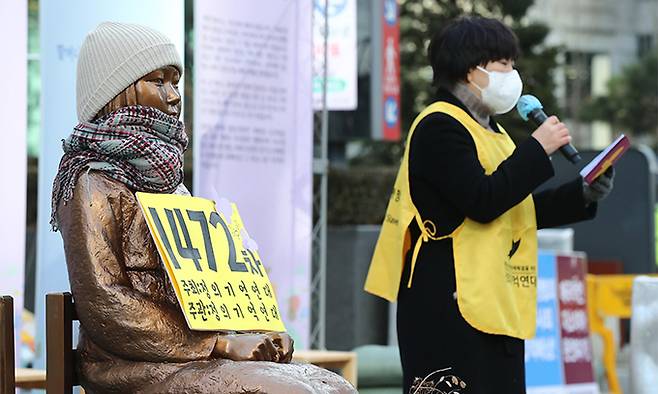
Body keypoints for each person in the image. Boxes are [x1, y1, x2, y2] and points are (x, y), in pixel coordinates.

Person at [52, 22, 355, 394]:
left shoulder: (170, 180)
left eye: (175, 82)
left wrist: (257, 329)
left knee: (333, 386)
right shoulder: (89, 180)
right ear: (117, 92)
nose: (174, 95)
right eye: (158, 81)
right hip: (130, 364)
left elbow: (211, 282)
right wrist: (217, 344)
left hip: (194, 356)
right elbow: (105, 301)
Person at [364, 16, 614, 394]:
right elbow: (482, 200)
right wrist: (537, 148)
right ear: (472, 69)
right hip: (448, 304)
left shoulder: (494, 133)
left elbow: (517, 209)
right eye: (504, 64)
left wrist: (583, 194)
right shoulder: (439, 126)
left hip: (495, 300)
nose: (513, 75)